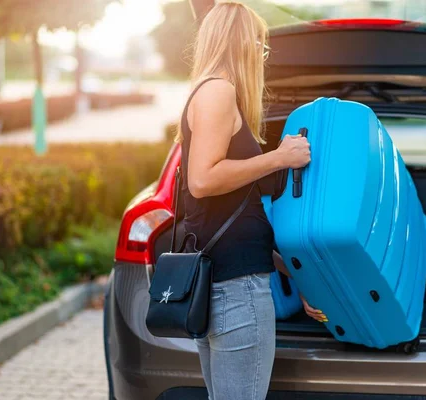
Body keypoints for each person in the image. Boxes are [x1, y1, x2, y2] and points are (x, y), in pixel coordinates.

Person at [175, 2, 326, 399]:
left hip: (225, 285)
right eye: (260, 46)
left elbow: (234, 214)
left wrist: (291, 270)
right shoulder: (218, 92)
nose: (261, 57)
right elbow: (203, 180)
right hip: (235, 292)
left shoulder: (213, 94)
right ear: (240, 43)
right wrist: (278, 157)